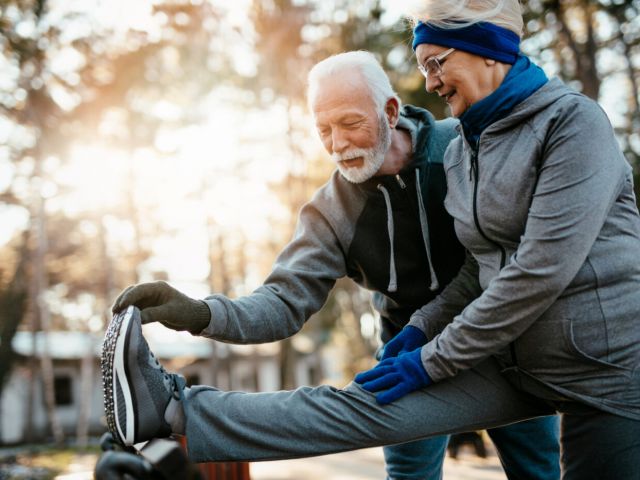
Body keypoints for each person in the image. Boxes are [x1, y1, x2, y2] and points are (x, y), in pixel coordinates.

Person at [107, 0, 640, 476]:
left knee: (538, 469)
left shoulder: (480, 140)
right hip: (457, 353)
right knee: (361, 415)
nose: (337, 145)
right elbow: (284, 302)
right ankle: (174, 406)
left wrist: (430, 354)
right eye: (323, 131)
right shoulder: (341, 205)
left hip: (545, 352)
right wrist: (201, 313)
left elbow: (532, 269)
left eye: (349, 123)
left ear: (389, 112)